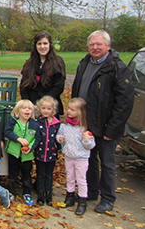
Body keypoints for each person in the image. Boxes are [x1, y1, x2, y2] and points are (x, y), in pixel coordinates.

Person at [71, 30, 134, 214]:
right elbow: (77, 90)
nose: (95, 47)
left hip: (106, 126)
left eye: (99, 44)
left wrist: (112, 128)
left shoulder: (117, 68)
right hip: (86, 124)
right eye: (92, 44)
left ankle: (107, 198)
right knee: (88, 160)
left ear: (108, 45)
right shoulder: (85, 63)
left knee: (107, 163)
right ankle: (91, 191)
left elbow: (125, 102)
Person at [56, 97, 96, 216]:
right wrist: (59, 139)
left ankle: (82, 201)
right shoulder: (64, 125)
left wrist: (86, 140)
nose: (69, 111)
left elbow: (91, 145)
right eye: (69, 108)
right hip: (69, 156)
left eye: (72, 110)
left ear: (80, 112)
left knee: (81, 179)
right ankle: (70, 196)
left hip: (81, 158)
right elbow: (59, 134)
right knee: (70, 177)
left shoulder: (85, 127)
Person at [20, 31, 66, 118]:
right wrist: (28, 104)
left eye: (45, 43)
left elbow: (59, 87)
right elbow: (23, 86)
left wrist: (42, 104)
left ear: (50, 45)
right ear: (35, 46)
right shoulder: (29, 63)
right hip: (31, 108)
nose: (42, 47)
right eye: (39, 44)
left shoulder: (57, 62)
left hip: (49, 108)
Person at [4, 99, 38, 206]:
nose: (27, 110)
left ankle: (27, 193)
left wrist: (30, 148)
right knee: (13, 174)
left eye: (30, 109)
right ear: (18, 111)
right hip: (14, 153)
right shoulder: (13, 121)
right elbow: (7, 132)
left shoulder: (34, 124)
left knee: (27, 175)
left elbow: (36, 139)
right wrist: (18, 139)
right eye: (24, 108)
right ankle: (11, 192)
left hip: (27, 155)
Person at [32, 96, 61, 206]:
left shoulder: (56, 124)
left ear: (53, 110)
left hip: (51, 153)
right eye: (43, 108)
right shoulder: (37, 122)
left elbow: (59, 138)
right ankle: (40, 194)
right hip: (40, 153)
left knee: (49, 175)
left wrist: (60, 145)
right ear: (39, 109)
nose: (46, 111)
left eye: (49, 109)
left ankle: (48, 193)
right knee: (40, 174)